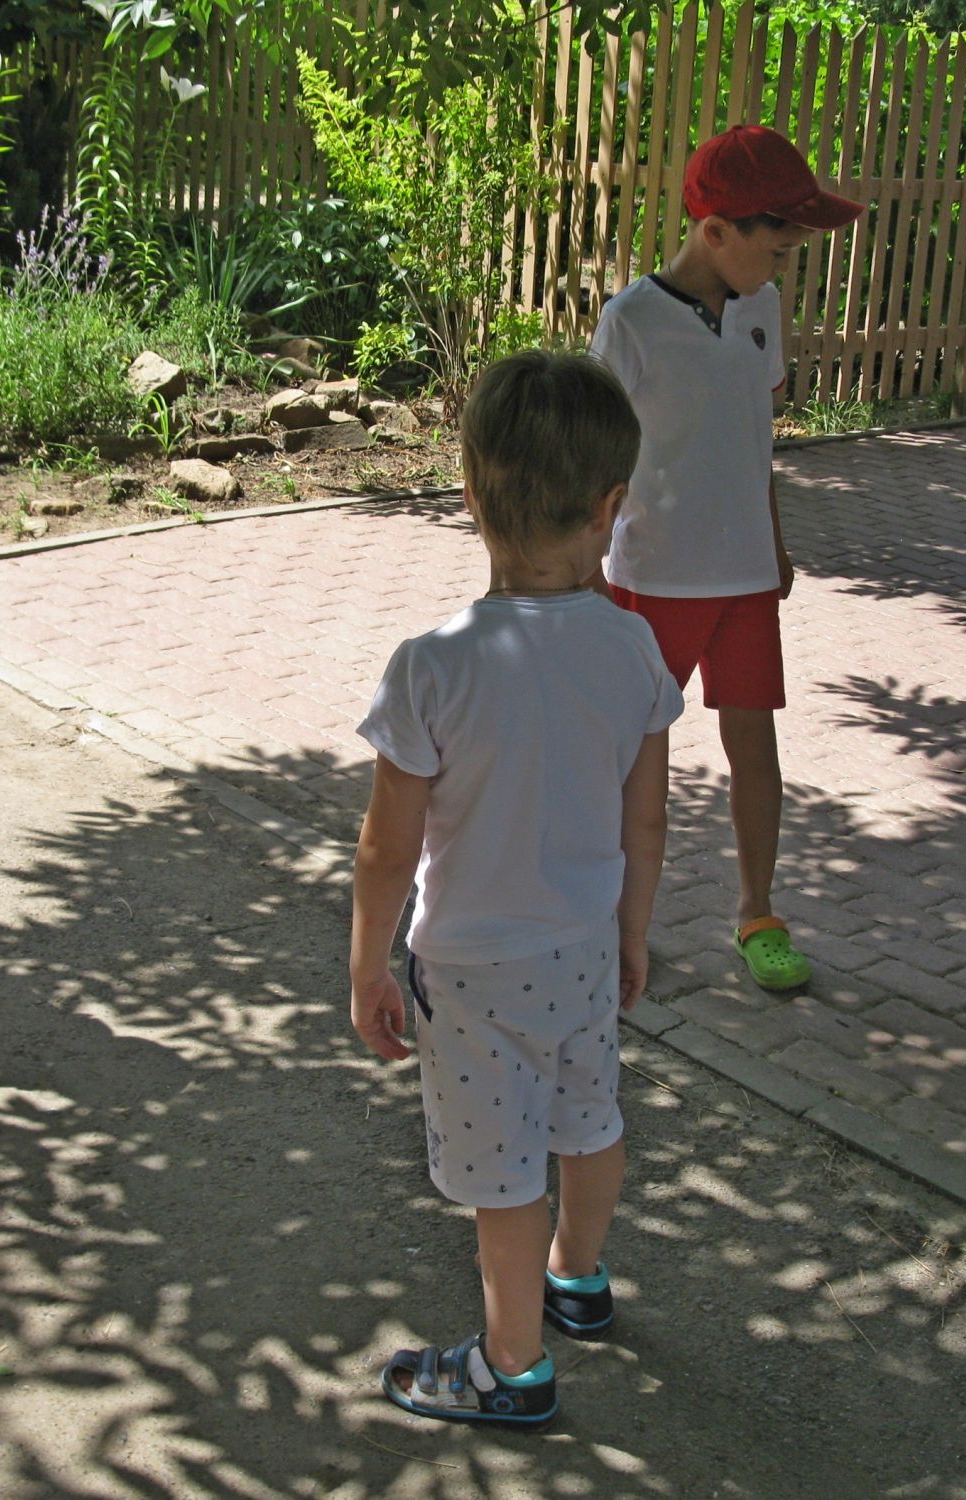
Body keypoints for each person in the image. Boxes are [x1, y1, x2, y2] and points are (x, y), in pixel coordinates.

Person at [348, 351, 681, 1426]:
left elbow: (386, 849)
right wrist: (632, 933)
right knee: (588, 1120)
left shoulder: (432, 666)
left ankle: (512, 1367)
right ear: (610, 508)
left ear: (469, 494)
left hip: (472, 970)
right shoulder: (633, 649)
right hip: (580, 947)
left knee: (503, 1175)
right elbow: (645, 819)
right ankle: (576, 1277)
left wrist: (365, 964)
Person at [588, 124, 864, 994]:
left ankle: (757, 913)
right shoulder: (630, 322)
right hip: (653, 577)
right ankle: (607, 918)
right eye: (776, 248)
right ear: (715, 231)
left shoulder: (761, 308)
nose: (783, 267)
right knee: (629, 759)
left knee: (756, 748)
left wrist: (773, 543)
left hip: (745, 578)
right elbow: (595, 456)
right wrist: (586, 571)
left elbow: (755, 438)